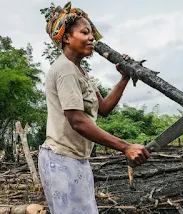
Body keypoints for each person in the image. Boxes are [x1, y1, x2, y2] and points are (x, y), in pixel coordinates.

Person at [39, 2, 150, 213]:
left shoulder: (80, 72)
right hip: (62, 159)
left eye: (91, 33)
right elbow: (78, 121)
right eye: (84, 32)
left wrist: (124, 78)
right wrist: (125, 147)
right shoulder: (65, 70)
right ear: (66, 38)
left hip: (77, 159)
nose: (92, 38)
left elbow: (104, 108)